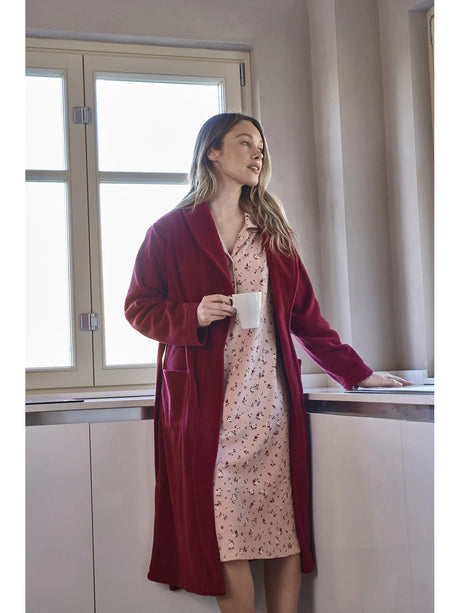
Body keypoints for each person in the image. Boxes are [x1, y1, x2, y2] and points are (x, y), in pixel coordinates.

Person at [124, 113, 411, 613]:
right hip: (204, 410)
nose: (258, 153)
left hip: (270, 408)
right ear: (212, 151)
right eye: (245, 143)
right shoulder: (169, 232)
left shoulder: (272, 232)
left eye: (261, 146)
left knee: (283, 529)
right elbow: (138, 307)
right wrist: (191, 314)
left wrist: (359, 374)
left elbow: (307, 320)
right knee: (223, 533)